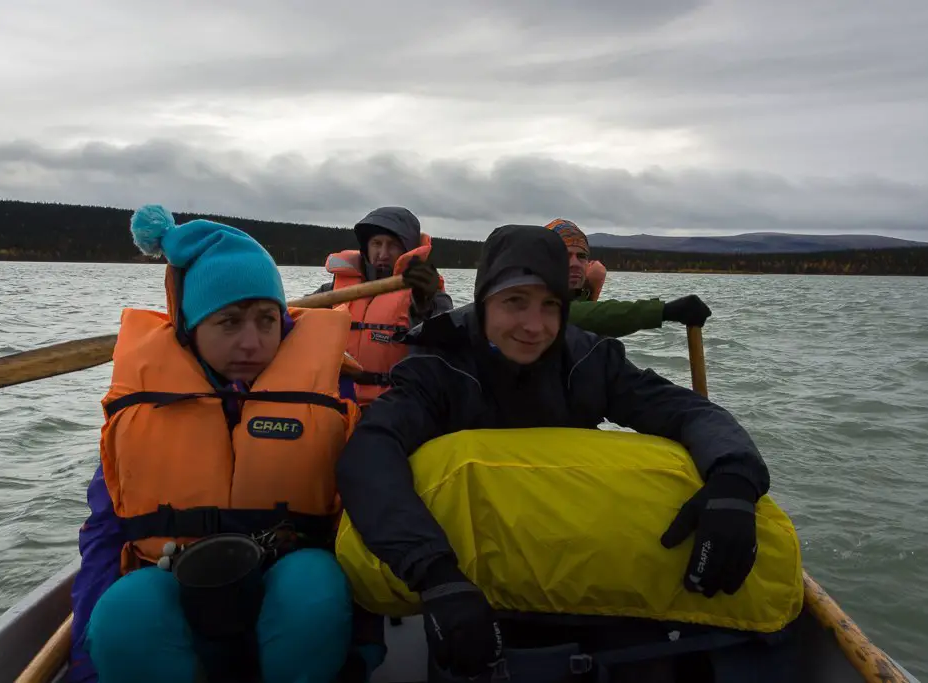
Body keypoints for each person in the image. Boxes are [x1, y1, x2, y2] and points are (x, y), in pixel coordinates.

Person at [335, 225, 782, 680]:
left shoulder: (588, 359)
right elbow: (369, 454)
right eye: (516, 302)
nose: (535, 325)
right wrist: (434, 575)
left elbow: (687, 411)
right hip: (471, 577)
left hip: (578, 566)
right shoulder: (437, 364)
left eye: (551, 305)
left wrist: (734, 480)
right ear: (484, 299)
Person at [68, 206, 379, 683]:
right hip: (175, 593)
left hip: (288, 598)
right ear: (191, 330)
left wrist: (363, 643)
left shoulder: (331, 398)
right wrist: (85, 664)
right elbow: (106, 536)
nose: (252, 343)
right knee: (125, 612)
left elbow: (362, 520)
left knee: (313, 584)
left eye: (266, 320)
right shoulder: (142, 410)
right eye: (229, 323)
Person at [315, 206, 453, 405]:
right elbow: (291, 321)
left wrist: (425, 304)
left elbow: (446, 347)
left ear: (407, 249)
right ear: (366, 247)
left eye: (393, 245)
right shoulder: (331, 291)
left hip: (394, 404)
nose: (383, 253)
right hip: (334, 398)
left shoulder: (428, 295)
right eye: (377, 244)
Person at [545, 218, 714, 337]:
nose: (574, 263)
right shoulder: (537, 306)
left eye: (581, 256)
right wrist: (665, 311)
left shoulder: (583, 303)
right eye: (565, 255)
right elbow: (585, 315)